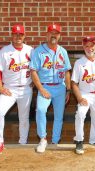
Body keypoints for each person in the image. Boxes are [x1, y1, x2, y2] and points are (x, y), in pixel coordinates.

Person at [30, 24, 71, 153]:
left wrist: (68, 90)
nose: (54, 35)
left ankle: (55, 140)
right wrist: (41, 89)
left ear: (59, 36)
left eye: (56, 33)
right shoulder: (38, 51)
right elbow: (33, 72)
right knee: (41, 110)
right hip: (45, 86)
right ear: (47, 34)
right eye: (51, 32)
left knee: (59, 116)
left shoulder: (63, 51)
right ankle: (43, 139)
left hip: (60, 87)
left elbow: (67, 71)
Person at [0, 24, 33, 155]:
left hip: (26, 88)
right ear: (12, 35)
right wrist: (0, 88)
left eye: (20, 34)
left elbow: (36, 69)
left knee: (24, 118)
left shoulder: (31, 50)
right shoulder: (4, 51)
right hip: (9, 89)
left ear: (24, 36)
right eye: (15, 34)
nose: (18, 37)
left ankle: (23, 142)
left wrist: (34, 82)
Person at [71, 36, 95, 154]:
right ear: (83, 47)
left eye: (91, 45)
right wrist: (79, 98)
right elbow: (73, 83)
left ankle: (93, 141)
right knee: (80, 114)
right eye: (86, 46)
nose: (89, 48)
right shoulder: (79, 63)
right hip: (84, 93)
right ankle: (79, 141)